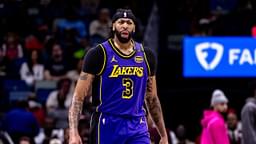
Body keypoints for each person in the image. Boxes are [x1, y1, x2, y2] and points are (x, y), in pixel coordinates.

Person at [68, 8, 168, 144]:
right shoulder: (98, 54)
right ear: (113, 26)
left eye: (129, 22)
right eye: (121, 22)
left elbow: (152, 99)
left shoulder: (146, 56)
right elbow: (78, 97)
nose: (125, 25)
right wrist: (73, 133)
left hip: (137, 124)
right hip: (107, 123)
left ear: (134, 28)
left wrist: (163, 134)